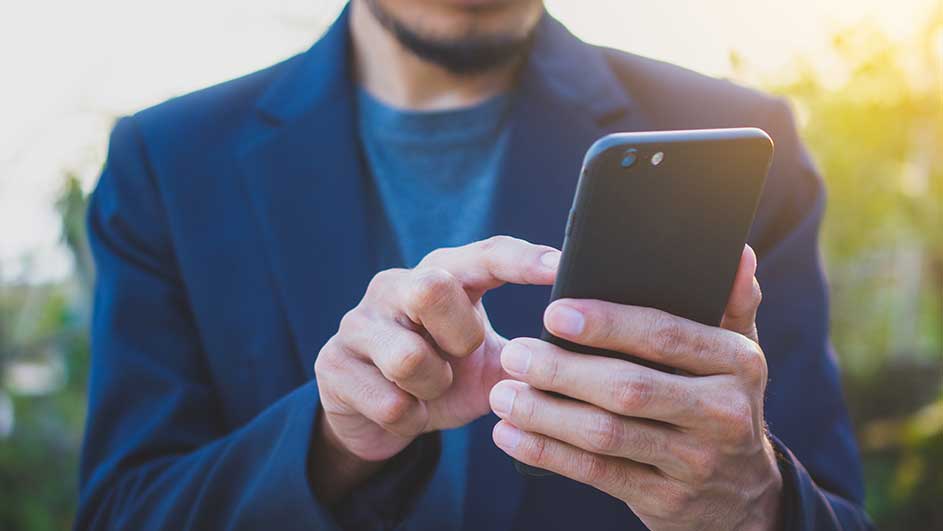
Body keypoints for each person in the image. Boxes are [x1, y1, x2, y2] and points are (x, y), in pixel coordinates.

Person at [75, 1, 874, 529]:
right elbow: (122, 511)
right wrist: (332, 442)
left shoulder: (734, 136)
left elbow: (833, 504)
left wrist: (753, 502)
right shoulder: (168, 164)